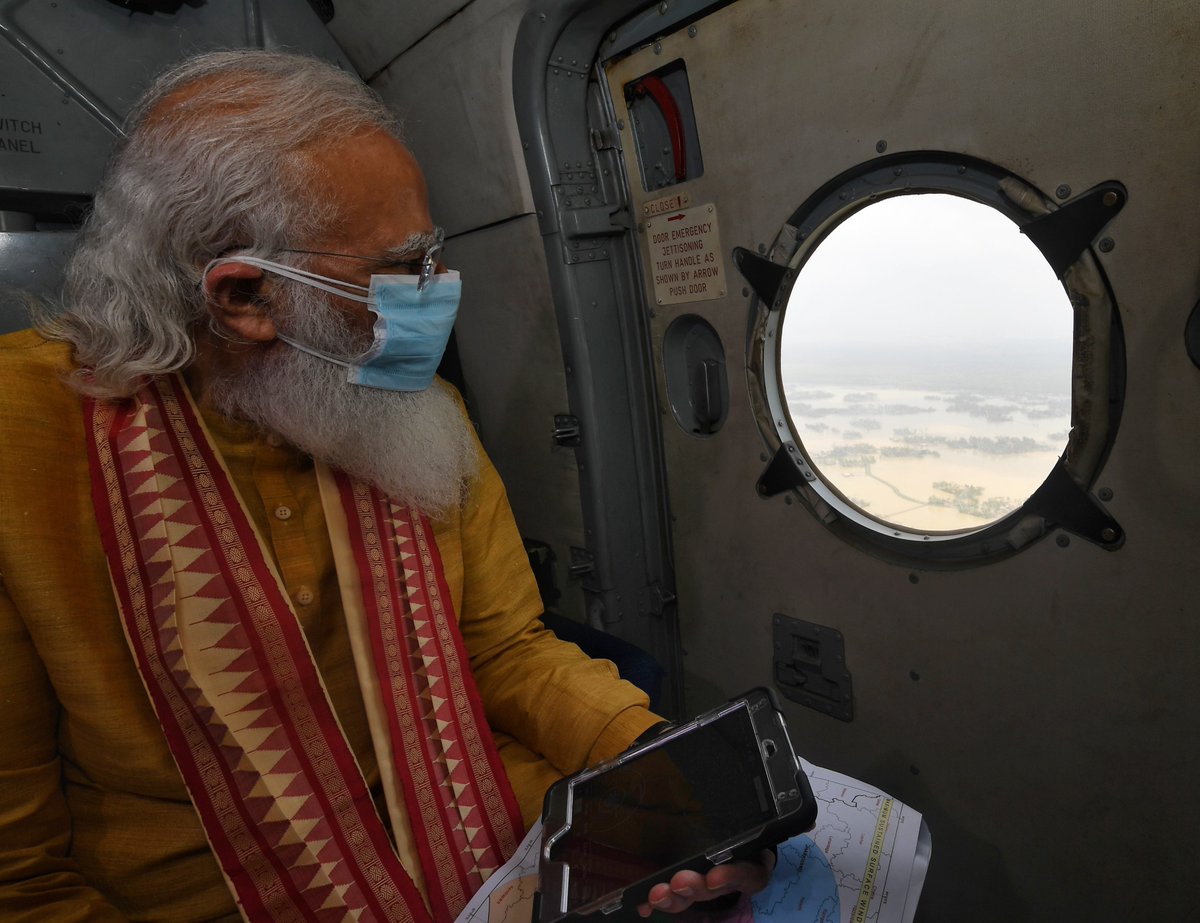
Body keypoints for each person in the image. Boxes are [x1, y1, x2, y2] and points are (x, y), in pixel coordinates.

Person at [0, 50, 771, 922]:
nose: (439, 293)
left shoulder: (422, 410)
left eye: (435, 254)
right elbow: (18, 874)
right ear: (245, 296)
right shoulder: (19, 443)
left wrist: (666, 765)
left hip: (468, 840)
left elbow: (506, 648)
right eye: (404, 266)